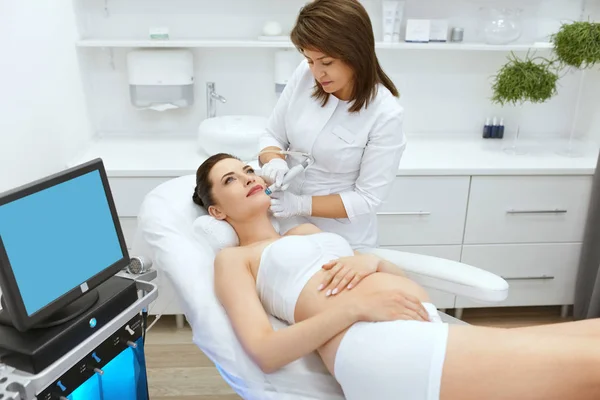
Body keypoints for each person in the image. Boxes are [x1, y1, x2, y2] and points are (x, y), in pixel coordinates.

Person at [193, 153, 600, 400]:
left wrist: (372, 263)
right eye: (230, 179)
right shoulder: (234, 260)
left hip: (419, 328)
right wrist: (354, 308)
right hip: (380, 349)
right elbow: (265, 353)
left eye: (247, 169)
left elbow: (394, 281)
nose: (248, 177)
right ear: (217, 212)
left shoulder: (306, 230)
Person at [258, 0, 406, 250]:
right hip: (285, 222)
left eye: (326, 63)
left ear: (356, 53)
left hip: (343, 237)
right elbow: (272, 135)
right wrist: (274, 161)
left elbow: (367, 199)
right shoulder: (304, 75)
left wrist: (300, 204)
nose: (317, 73)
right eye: (309, 60)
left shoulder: (385, 113)